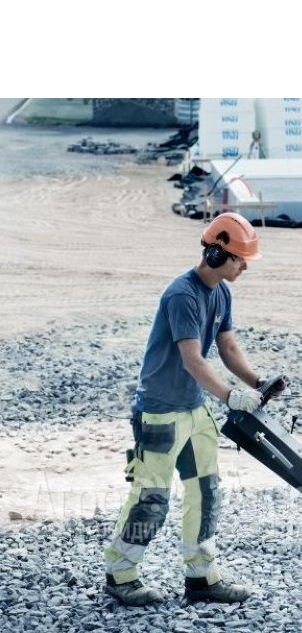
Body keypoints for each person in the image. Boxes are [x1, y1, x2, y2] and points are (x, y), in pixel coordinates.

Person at [104, 212, 269, 607]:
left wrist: (258, 383)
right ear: (216, 254)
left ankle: (201, 578)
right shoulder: (182, 295)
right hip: (161, 413)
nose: (244, 267)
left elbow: (227, 347)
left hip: (194, 410)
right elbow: (193, 360)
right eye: (239, 259)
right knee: (152, 497)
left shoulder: (221, 293)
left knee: (205, 491)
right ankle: (120, 575)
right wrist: (229, 396)